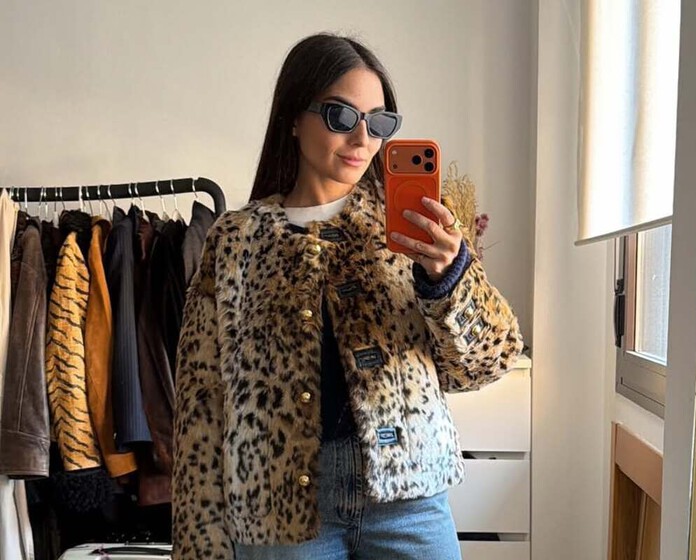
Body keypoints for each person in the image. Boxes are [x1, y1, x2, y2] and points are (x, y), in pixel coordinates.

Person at [172, 32, 523, 560]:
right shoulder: (236, 240)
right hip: (281, 508)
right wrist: (201, 546)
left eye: (379, 122)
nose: (362, 137)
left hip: (409, 497)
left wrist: (448, 277)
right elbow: (201, 404)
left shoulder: (415, 227)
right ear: (294, 117)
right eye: (341, 116)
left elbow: (484, 364)